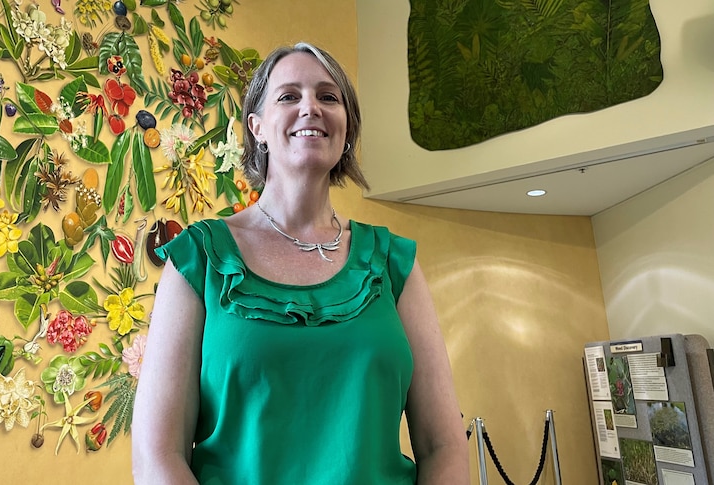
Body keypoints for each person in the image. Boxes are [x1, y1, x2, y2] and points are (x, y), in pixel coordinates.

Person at [132, 42, 469, 484]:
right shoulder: (199, 258)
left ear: (346, 130)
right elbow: (157, 454)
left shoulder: (393, 263)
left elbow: (443, 445)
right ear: (258, 128)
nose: (311, 107)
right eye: (289, 96)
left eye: (329, 97)